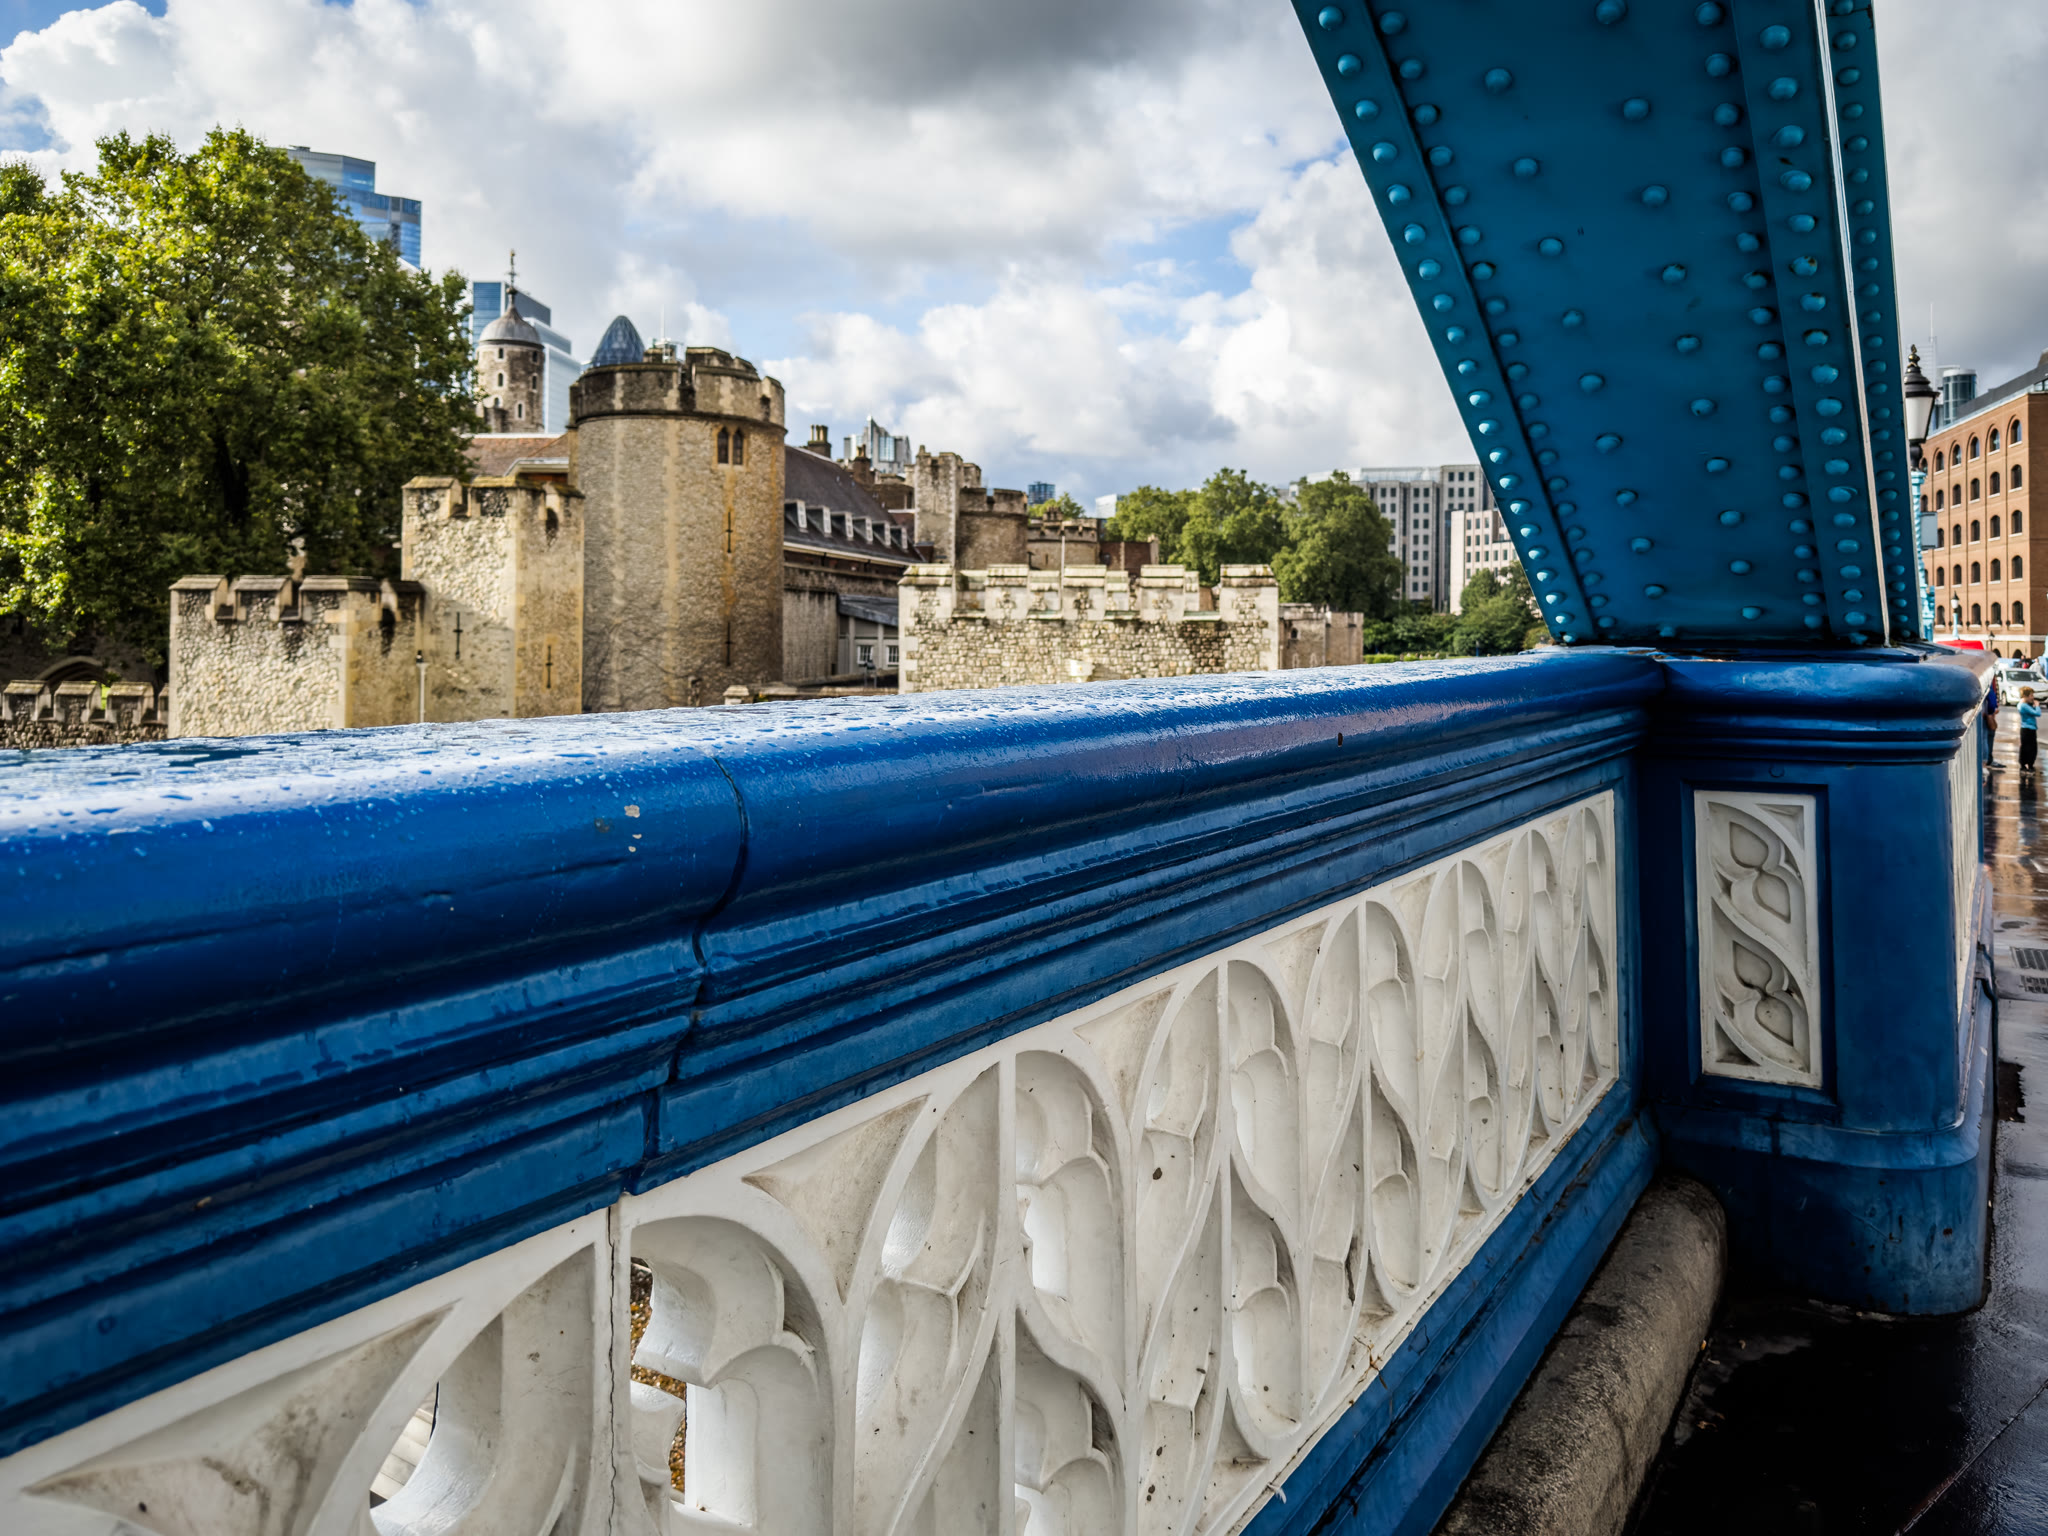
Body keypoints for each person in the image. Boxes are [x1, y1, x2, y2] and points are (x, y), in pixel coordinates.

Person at [2023, 687, 2040, 777]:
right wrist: (2037, 706)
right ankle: (2027, 765)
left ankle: (2029, 764)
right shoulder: (2023, 706)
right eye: (2031, 695)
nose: (2033, 697)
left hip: (2031, 728)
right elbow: (2037, 713)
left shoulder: (2026, 705)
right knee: (2029, 748)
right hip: (2027, 729)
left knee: (2032, 748)